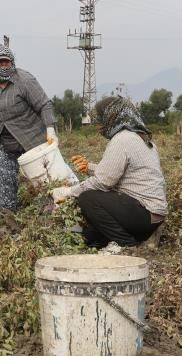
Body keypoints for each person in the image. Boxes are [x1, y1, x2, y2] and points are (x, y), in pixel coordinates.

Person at [52, 97, 167, 251]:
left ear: (112, 118)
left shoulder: (122, 139)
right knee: (89, 238)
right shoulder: (141, 137)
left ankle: (125, 244)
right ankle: (127, 239)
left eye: (101, 120)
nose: (99, 126)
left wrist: (68, 192)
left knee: (88, 199)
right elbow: (118, 171)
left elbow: (103, 182)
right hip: (152, 217)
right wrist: (89, 167)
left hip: (143, 215)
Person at [0, 45, 58, 212]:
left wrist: (50, 129)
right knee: (4, 180)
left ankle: (50, 213)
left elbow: (44, 104)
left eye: (6, 62)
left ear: (12, 62)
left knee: (41, 180)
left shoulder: (25, 80)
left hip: (31, 139)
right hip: (3, 141)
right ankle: (9, 215)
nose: (3, 66)